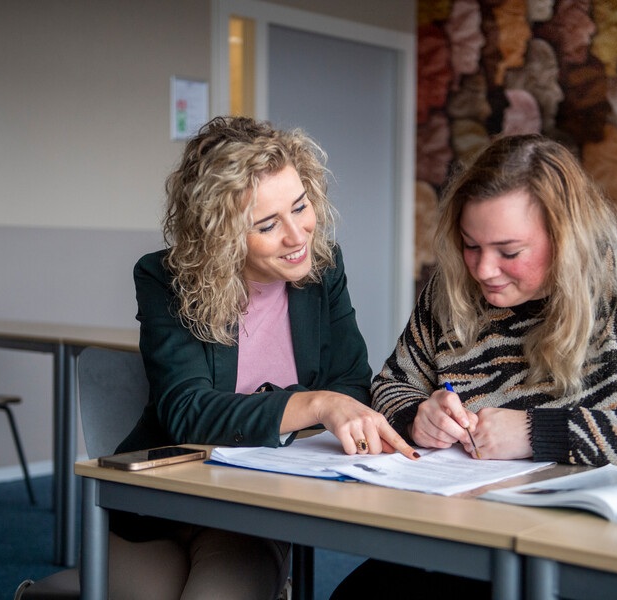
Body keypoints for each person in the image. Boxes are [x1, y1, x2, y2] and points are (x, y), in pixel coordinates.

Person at [331, 133, 617, 599]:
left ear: (565, 237)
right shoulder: (450, 291)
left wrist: (539, 432)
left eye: (509, 252)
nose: (483, 270)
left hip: (590, 551)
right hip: (462, 536)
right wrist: (418, 416)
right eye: (471, 245)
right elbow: (391, 386)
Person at [111, 116, 417, 600]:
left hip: (251, 508)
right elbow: (187, 412)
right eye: (268, 225)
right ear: (221, 234)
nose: (297, 236)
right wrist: (314, 404)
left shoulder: (323, 267)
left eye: (301, 206)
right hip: (162, 505)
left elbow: (352, 386)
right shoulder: (167, 278)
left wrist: (321, 403)